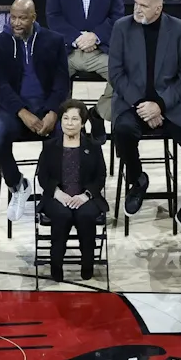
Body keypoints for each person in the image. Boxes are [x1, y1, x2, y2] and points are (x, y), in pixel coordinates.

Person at [107, 0, 181, 215]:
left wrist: (159, 105)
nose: (137, 9)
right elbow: (116, 74)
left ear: (158, 8)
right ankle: (137, 180)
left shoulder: (179, 30)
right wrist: (142, 106)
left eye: (144, 6)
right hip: (132, 103)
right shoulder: (122, 27)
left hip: (172, 104)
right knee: (123, 131)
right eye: (136, 3)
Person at [0, 0, 68, 222]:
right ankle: (17, 183)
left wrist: (53, 111)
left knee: (64, 138)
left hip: (45, 107)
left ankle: (49, 192)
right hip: (12, 109)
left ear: (34, 17)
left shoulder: (54, 41)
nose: (16, 23)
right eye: (13, 17)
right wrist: (23, 113)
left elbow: (62, 83)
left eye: (22, 18)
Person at [45, 0, 123, 122]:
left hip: (100, 52)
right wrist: (77, 38)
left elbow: (117, 18)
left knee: (123, 76)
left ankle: (98, 113)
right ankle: (64, 124)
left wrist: (95, 36)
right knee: (49, 79)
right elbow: (53, 17)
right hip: (68, 51)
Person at [35, 99, 108, 282]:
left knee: (85, 216)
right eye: (65, 118)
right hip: (57, 197)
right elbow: (43, 176)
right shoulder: (50, 146)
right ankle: (56, 266)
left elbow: (100, 176)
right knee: (62, 215)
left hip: (86, 197)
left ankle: (87, 265)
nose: (69, 123)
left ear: (83, 123)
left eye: (75, 119)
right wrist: (58, 193)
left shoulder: (93, 146)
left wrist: (85, 196)